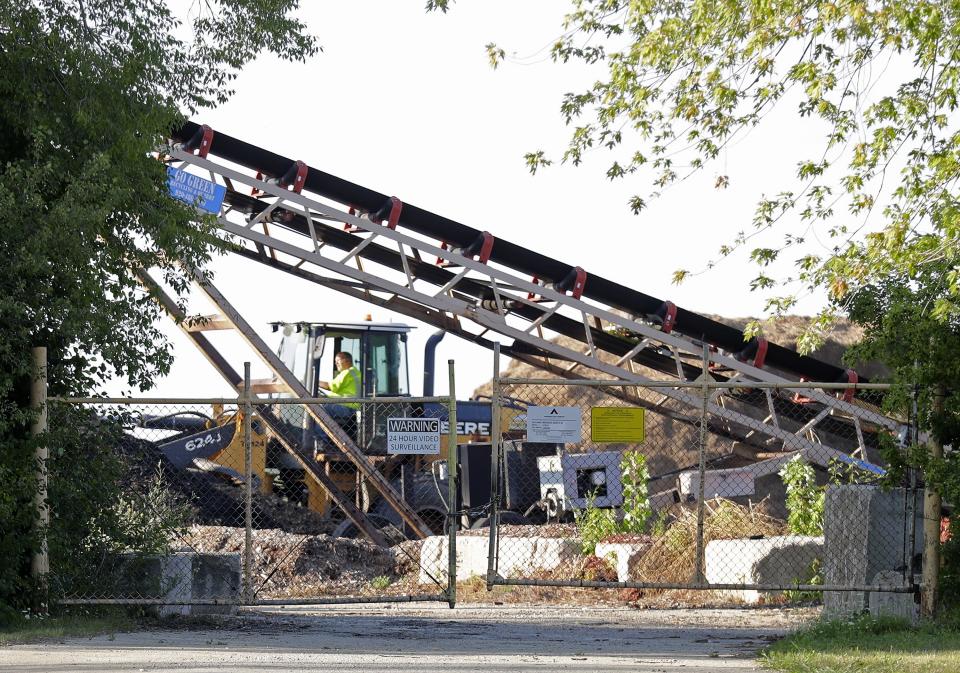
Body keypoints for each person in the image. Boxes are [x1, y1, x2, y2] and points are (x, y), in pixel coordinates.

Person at [317, 351, 363, 427]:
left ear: (347, 360)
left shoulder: (348, 372)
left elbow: (329, 386)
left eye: (338, 361)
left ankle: (320, 437)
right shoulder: (354, 372)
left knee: (319, 409)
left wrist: (314, 380)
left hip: (347, 408)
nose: (336, 363)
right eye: (335, 362)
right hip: (349, 407)